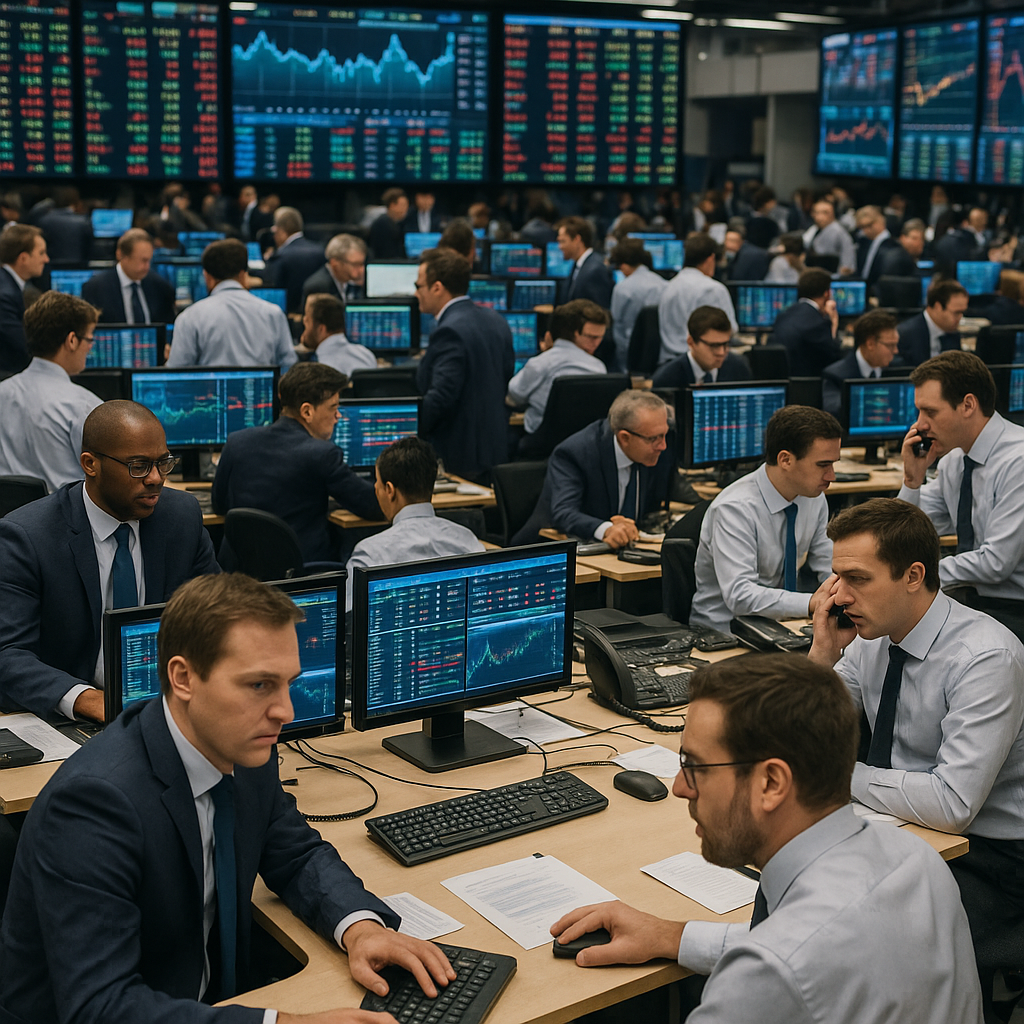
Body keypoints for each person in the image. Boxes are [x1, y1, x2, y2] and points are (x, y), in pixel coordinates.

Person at [0, 571, 456, 1023]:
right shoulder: (94, 805)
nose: (285, 712)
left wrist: (359, 927)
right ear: (183, 678)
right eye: (259, 685)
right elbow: (102, 1009)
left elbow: (294, 853)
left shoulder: (239, 744)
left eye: (287, 683)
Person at [551, 653, 983, 1024]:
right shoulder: (917, 860)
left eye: (695, 766)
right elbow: (811, 949)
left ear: (772, 783)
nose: (680, 787)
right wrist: (673, 936)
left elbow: (790, 961)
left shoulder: (766, 976)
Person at [808, 498, 1024, 1013]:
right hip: (904, 828)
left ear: (913, 576)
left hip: (991, 857)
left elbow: (953, 806)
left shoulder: (985, 658)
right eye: (835, 577)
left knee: (852, 932)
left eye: (856, 578)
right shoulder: (870, 637)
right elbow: (805, 735)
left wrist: (840, 775)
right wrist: (822, 654)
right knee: (793, 885)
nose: (838, 594)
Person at [0, 401, 219, 722]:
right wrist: (88, 700)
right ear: (91, 464)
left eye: (163, 463)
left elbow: (218, 617)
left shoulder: (180, 517)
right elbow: (7, 653)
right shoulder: (28, 537)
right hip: (77, 713)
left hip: (170, 703)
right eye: (139, 466)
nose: (156, 478)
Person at [897, 351, 1024, 640]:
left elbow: (995, 564)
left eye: (930, 412)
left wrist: (917, 576)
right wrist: (912, 479)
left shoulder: (1019, 461)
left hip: (1013, 609)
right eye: (919, 412)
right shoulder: (955, 460)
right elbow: (904, 537)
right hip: (970, 600)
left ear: (968, 405)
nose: (920, 425)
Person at [213, 362, 381, 566]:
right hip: (299, 574)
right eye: (333, 407)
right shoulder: (322, 454)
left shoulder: (236, 442)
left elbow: (219, 505)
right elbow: (372, 506)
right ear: (307, 411)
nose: (338, 416)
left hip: (238, 576)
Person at [690, 405, 839, 633]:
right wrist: (810, 603)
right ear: (785, 460)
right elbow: (740, 596)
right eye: (823, 465)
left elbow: (829, 565)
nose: (832, 476)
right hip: (725, 635)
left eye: (833, 463)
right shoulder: (734, 509)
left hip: (786, 627)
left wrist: (845, 589)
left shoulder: (813, 497)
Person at [514, 390, 675, 548]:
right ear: (624, 438)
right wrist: (606, 529)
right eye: (654, 438)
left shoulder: (654, 446)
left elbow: (664, 498)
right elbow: (564, 513)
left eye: (664, 435)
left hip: (625, 553)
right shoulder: (575, 453)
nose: (663, 445)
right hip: (551, 555)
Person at [345, 437, 483, 610]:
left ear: (389, 490)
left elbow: (349, 620)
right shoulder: (468, 540)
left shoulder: (369, 554)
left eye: (377, 483)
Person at [414, 248, 513, 483]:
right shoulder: (496, 319)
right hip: (496, 448)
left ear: (437, 287)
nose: (415, 293)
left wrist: (410, 432)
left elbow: (442, 397)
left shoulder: (449, 331)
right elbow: (506, 376)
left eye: (419, 286)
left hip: (460, 455)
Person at [0, 291, 103, 490]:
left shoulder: (2, 392)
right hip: (63, 519)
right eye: (89, 339)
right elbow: (107, 483)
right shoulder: (85, 406)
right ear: (72, 340)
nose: (90, 348)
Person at [167, 239, 296, 369]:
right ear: (244, 275)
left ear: (207, 277)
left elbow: (177, 375)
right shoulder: (273, 314)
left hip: (210, 389)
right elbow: (288, 367)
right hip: (261, 388)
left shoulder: (189, 318)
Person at [508, 299, 608, 441]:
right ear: (571, 333)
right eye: (591, 337)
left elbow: (514, 396)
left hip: (539, 444)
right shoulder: (599, 368)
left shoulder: (542, 362)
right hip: (584, 444)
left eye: (600, 338)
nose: (596, 343)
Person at [657, 234, 737, 366]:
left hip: (669, 363)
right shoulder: (713, 289)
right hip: (700, 362)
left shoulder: (668, 286)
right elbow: (729, 330)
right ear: (711, 258)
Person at [80, 227, 176, 325]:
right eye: (143, 260)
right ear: (121, 255)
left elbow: (167, 329)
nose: (147, 267)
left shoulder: (160, 287)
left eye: (149, 260)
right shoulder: (96, 288)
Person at [821, 309, 899, 417]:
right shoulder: (836, 375)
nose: (896, 351)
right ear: (870, 343)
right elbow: (834, 410)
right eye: (890, 345)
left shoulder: (897, 370)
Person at [652, 305, 751, 390]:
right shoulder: (667, 379)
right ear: (691, 342)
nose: (721, 352)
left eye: (725, 344)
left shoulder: (739, 369)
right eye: (714, 346)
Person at [608, 239, 668, 368]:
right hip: (660, 354)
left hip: (632, 353)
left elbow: (618, 328)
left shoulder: (623, 288)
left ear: (623, 266)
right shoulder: (664, 284)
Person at [771, 268, 841, 377]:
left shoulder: (783, 315)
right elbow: (834, 356)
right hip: (808, 385)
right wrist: (834, 322)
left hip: (786, 381)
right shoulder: (817, 323)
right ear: (827, 294)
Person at [0, 223, 49, 377]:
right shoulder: (4, 296)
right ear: (23, 258)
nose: (46, 259)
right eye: (41, 253)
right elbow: (23, 345)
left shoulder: (10, 284)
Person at [262, 207, 326, 313]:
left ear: (281, 232)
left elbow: (270, 283)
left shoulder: (280, 256)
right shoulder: (320, 251)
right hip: (317, 314)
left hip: (288, 315)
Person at [896, 278, 967, 367]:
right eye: (956, 313)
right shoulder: (905, 335)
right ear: (938, 307)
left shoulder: (953, 334)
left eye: (962, 312)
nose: (960, 317)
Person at [300, 294, 376, 376]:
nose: (304, 334)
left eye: (307, 322)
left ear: (321, 329)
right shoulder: (366, 355)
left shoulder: (321, 368)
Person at [556, 216, 614, 311]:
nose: (560, 247)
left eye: (562, 241)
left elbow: (599, 312)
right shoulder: (578, 266)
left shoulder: (595, 270)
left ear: (577, 239)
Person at [300, 233, 367, 306]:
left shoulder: (355, 283)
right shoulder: (318, 288)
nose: (362, 270)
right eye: (355, 264)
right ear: (335, 263)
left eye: (362, 264)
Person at [37, 186, 93, 264]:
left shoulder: (43, 221)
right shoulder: (83, 222)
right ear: (76, 201)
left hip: (50, 266)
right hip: (77, 268)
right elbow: (90, 250)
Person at [802, 199, 856, 276]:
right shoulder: (814, 229)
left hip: (832, 276)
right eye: (816, 212)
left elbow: (848, 260)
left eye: (824, 212)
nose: (819, 216)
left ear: (832, 214)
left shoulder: (838, 231)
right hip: (816, 273)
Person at [853, 205, 898, 292]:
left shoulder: (892, 247)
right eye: (862, 227)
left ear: (880, 221)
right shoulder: (865, 244)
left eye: (868, 225)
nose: (865, 231)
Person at [368, 188, 408, 260]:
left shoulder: (397, 224)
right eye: (402, 205)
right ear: (392, 205)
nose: (405, 209)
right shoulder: (382, 225)